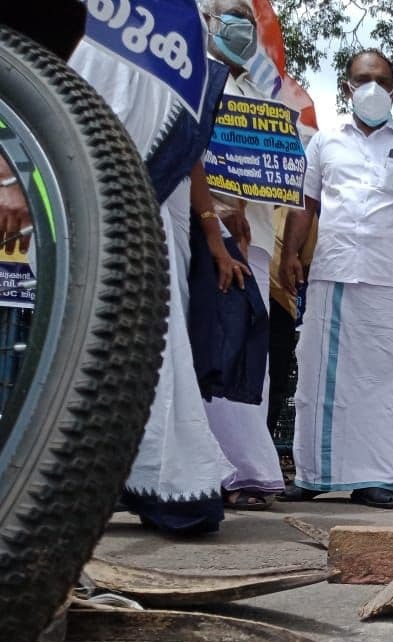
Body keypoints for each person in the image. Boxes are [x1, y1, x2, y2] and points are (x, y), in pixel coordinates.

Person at [70, 36, 245, 534]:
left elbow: (189, 152)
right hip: (97, 211)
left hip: (161, 224)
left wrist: (214, 235)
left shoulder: (172, 41)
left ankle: (160, 482)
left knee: (156, 345)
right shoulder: (88, 38)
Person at [279, 49, 393, 508]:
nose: (372, 87)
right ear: (347, 86)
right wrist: (292, 254)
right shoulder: (324, 142)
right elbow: (308, 204)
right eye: (362, 79)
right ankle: (316, 474)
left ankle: (382, 477)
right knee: (321, 377)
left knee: (392, 381)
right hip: (334, 270)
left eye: (381, 79)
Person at [199, 0, 286, 509]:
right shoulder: (197, 82)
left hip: (251, 243)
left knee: (248, 355)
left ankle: (249, 470)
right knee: (211, 351)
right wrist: (214, 217)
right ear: (209, 23)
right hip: (206, 236)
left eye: (248, 20)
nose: (243, 27)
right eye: (231, 16)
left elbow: (275, 178)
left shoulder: (261, 99)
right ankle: (218, 471)